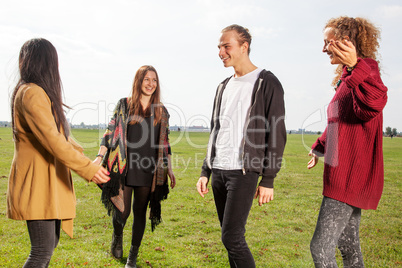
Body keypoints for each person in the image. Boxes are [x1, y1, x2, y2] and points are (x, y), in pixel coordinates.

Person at [7, 38, 111, 268]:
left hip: (46, 182)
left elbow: (60, 138)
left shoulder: (34, 92)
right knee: (41, 250)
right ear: (48, 63)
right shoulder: (31, 93)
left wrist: (92, 161)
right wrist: (89, 169)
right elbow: (53, 141)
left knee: (49, 244)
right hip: (38, 184)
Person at [196, 24, 286, 267]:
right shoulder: (223, 86)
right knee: (229, 240)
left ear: (244, 46)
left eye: (226, 46)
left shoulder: (267, 82)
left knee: (232, 237)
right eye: (219, 47)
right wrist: (206, 170)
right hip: (219, 172)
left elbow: (277, 133)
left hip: (243, 172)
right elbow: (216, 130)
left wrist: (268, 179)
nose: (221, 52)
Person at [307, 16, 388, 267]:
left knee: (320, 248)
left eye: (327, 42)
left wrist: (355, 67)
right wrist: (320, 147)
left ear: (345, 42)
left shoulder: (367, 70)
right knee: (348, 245)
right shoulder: (349, 76)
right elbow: (339, 119)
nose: (323, 49)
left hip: (350, 174)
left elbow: (373, 104)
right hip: (344, 171)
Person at [94, 65, 176, 268]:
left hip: (149, 170)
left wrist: (170, 169)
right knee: (122, 211)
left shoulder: (161, 111)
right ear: (138, 81)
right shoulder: (125, 105)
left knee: (140, 212)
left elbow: (165, 143)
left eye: (154, 80)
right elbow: (110, 131)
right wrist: (99, 156)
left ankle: (132, 258)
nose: (151, 84)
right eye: (146, 79)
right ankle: (117, 235)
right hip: (124, 168)